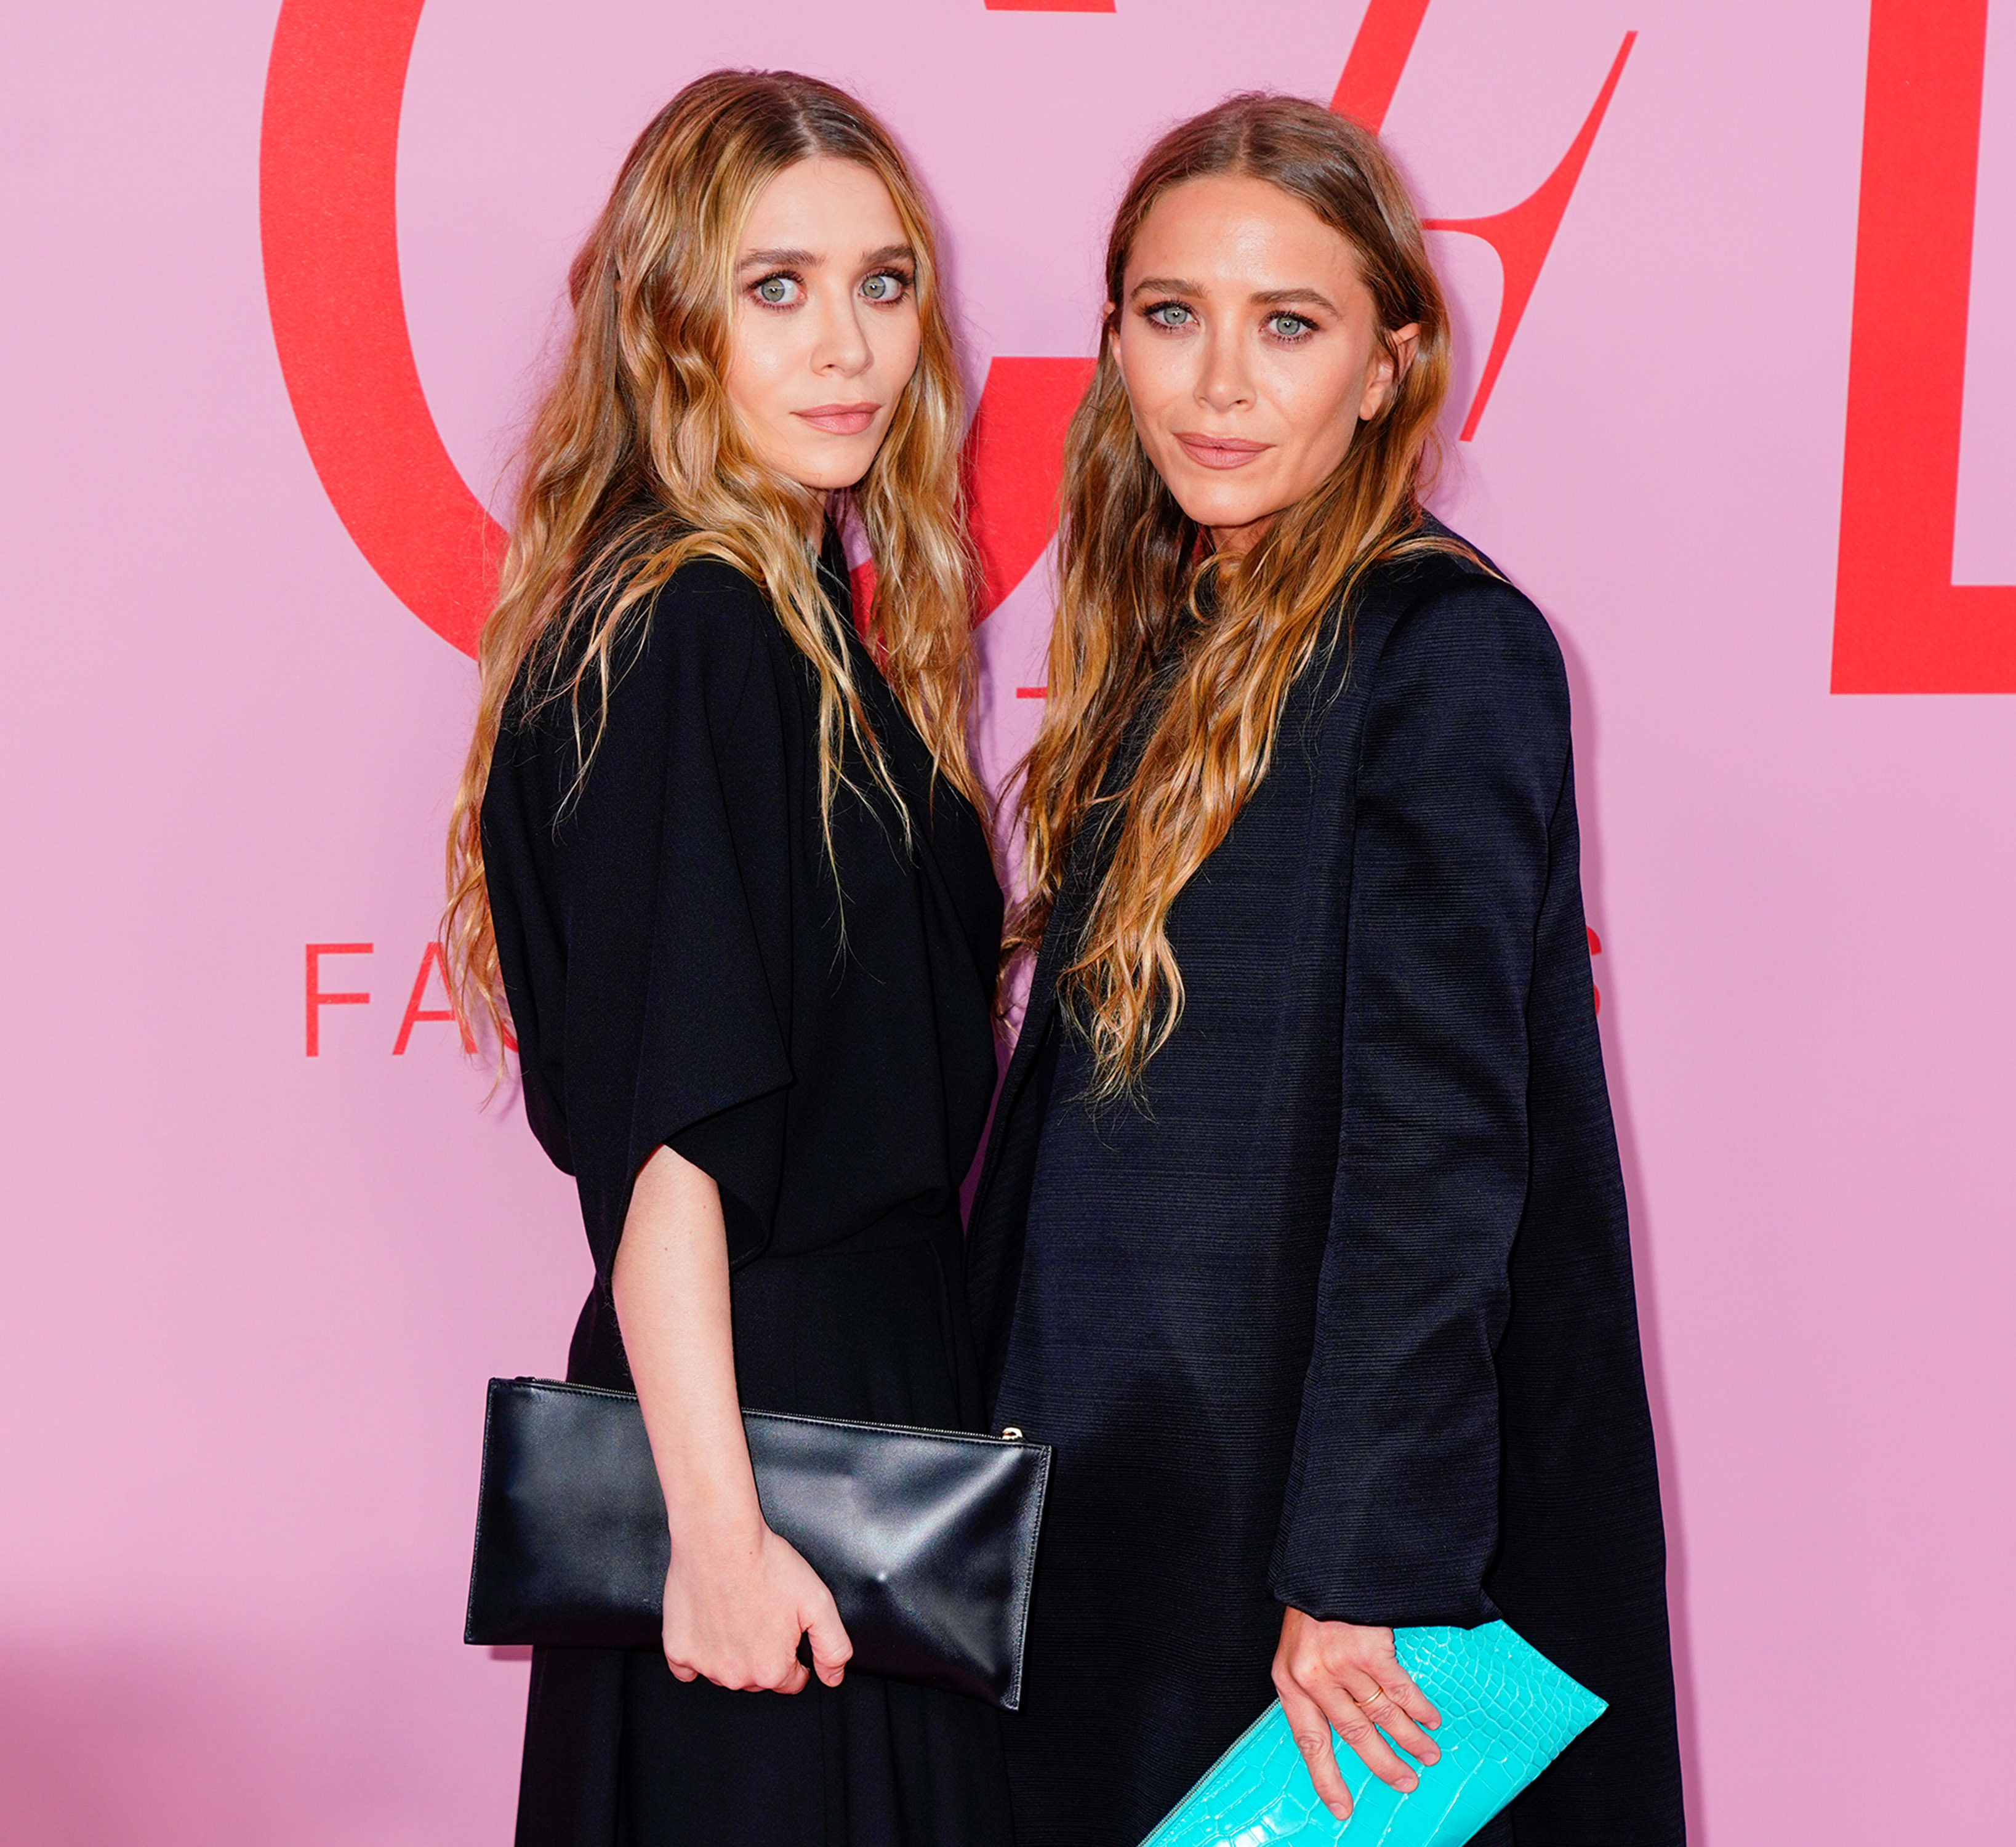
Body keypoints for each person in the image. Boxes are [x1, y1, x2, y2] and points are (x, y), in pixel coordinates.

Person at [967, 94, 1683, 1845]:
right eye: (1168, 314)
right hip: (1117, 1485)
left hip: (1305, 1538)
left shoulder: (1448, 652)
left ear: (1387, 366)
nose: (1217, 382)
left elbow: (1438, 1149)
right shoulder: (1162, 644)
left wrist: (1365, 1566)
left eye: (1287, 325)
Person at [444, 71, 1012, 1847]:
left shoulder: (783, 620)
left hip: (841, 1432)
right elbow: (674, 1144)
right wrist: (714, 1532)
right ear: (665, 323)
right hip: (774, 1458)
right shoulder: (691, 625)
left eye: (883, 281)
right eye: (775, 287)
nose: (847, 345)